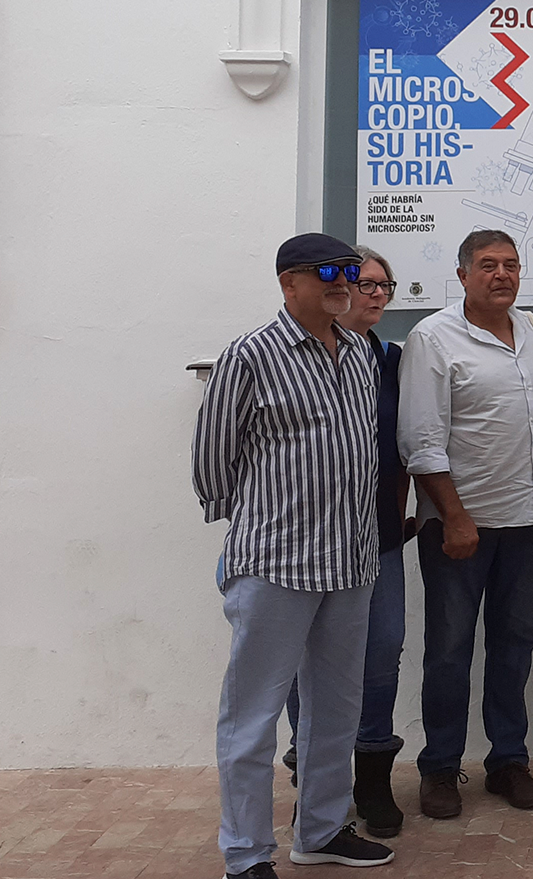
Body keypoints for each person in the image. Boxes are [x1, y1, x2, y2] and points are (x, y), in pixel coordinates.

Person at [194, 233, 395, 877]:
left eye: (351, 272)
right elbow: (211, 466)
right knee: (252, 718)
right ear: (289, 282)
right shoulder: (250, 356)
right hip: (276, 564)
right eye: (328, 272)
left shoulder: (362, 352)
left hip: (351, 561)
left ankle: (323, 829)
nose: (343, 282)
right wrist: (267, 524)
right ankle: (246, 854)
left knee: (337, 710)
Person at [399, 229, 533, 818]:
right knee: (448, 650)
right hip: (460, 530)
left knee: (516, 644)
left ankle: (508, 762)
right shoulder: (433, 338)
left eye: (512, 265)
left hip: (529, 524)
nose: (502, 275)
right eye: (488, 265)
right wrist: (455, 517)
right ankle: (440, 768)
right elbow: (421, 439)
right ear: (463, 274)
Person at [282, 245, 414, 839]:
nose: (376, 296)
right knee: (309, 666)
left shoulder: (391, 360)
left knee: (382, 654)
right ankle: (312, 784)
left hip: (379, 537)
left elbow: (407, 442)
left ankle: (373, 778)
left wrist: (405, 508)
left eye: (386, 287)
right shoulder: (301, 356)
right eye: (367, 284)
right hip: (306, 543)